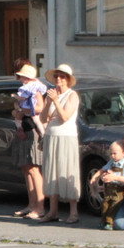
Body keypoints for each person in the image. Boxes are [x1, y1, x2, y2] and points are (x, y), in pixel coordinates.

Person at [36, 64, 81, 223]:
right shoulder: (51, 95)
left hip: (66, 136)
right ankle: (53, 211)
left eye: (62, 77)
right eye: (56, 76)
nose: (58, 80)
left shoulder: (72, 95)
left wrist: (55, 100)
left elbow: (65, 117)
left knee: (67, 169)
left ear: (68, 79)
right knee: (51, 171)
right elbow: (42, 119)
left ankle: (73, 212)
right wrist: (48, 102)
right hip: (51, 136)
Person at [11, 60, 45, 219]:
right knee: (26, 169)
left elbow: (39, 107)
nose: (22, 79)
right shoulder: (24, 89)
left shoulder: (35, 88)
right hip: (24, 128)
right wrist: (17, 111)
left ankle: (40, 206)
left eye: (25, 77)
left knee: (34, 169)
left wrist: (22, 109)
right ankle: (31, 205)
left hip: (32, 129)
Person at [93, 141, 124, 230]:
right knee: (105, 204)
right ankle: (103, 220)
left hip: (119, 189)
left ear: (123, 153)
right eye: (111, 154)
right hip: (109, 188)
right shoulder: (111, 163)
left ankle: (109, 222)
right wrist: (95, 177)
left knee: (114, 206)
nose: (113, 156)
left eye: (115, 153)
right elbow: (102, 170)